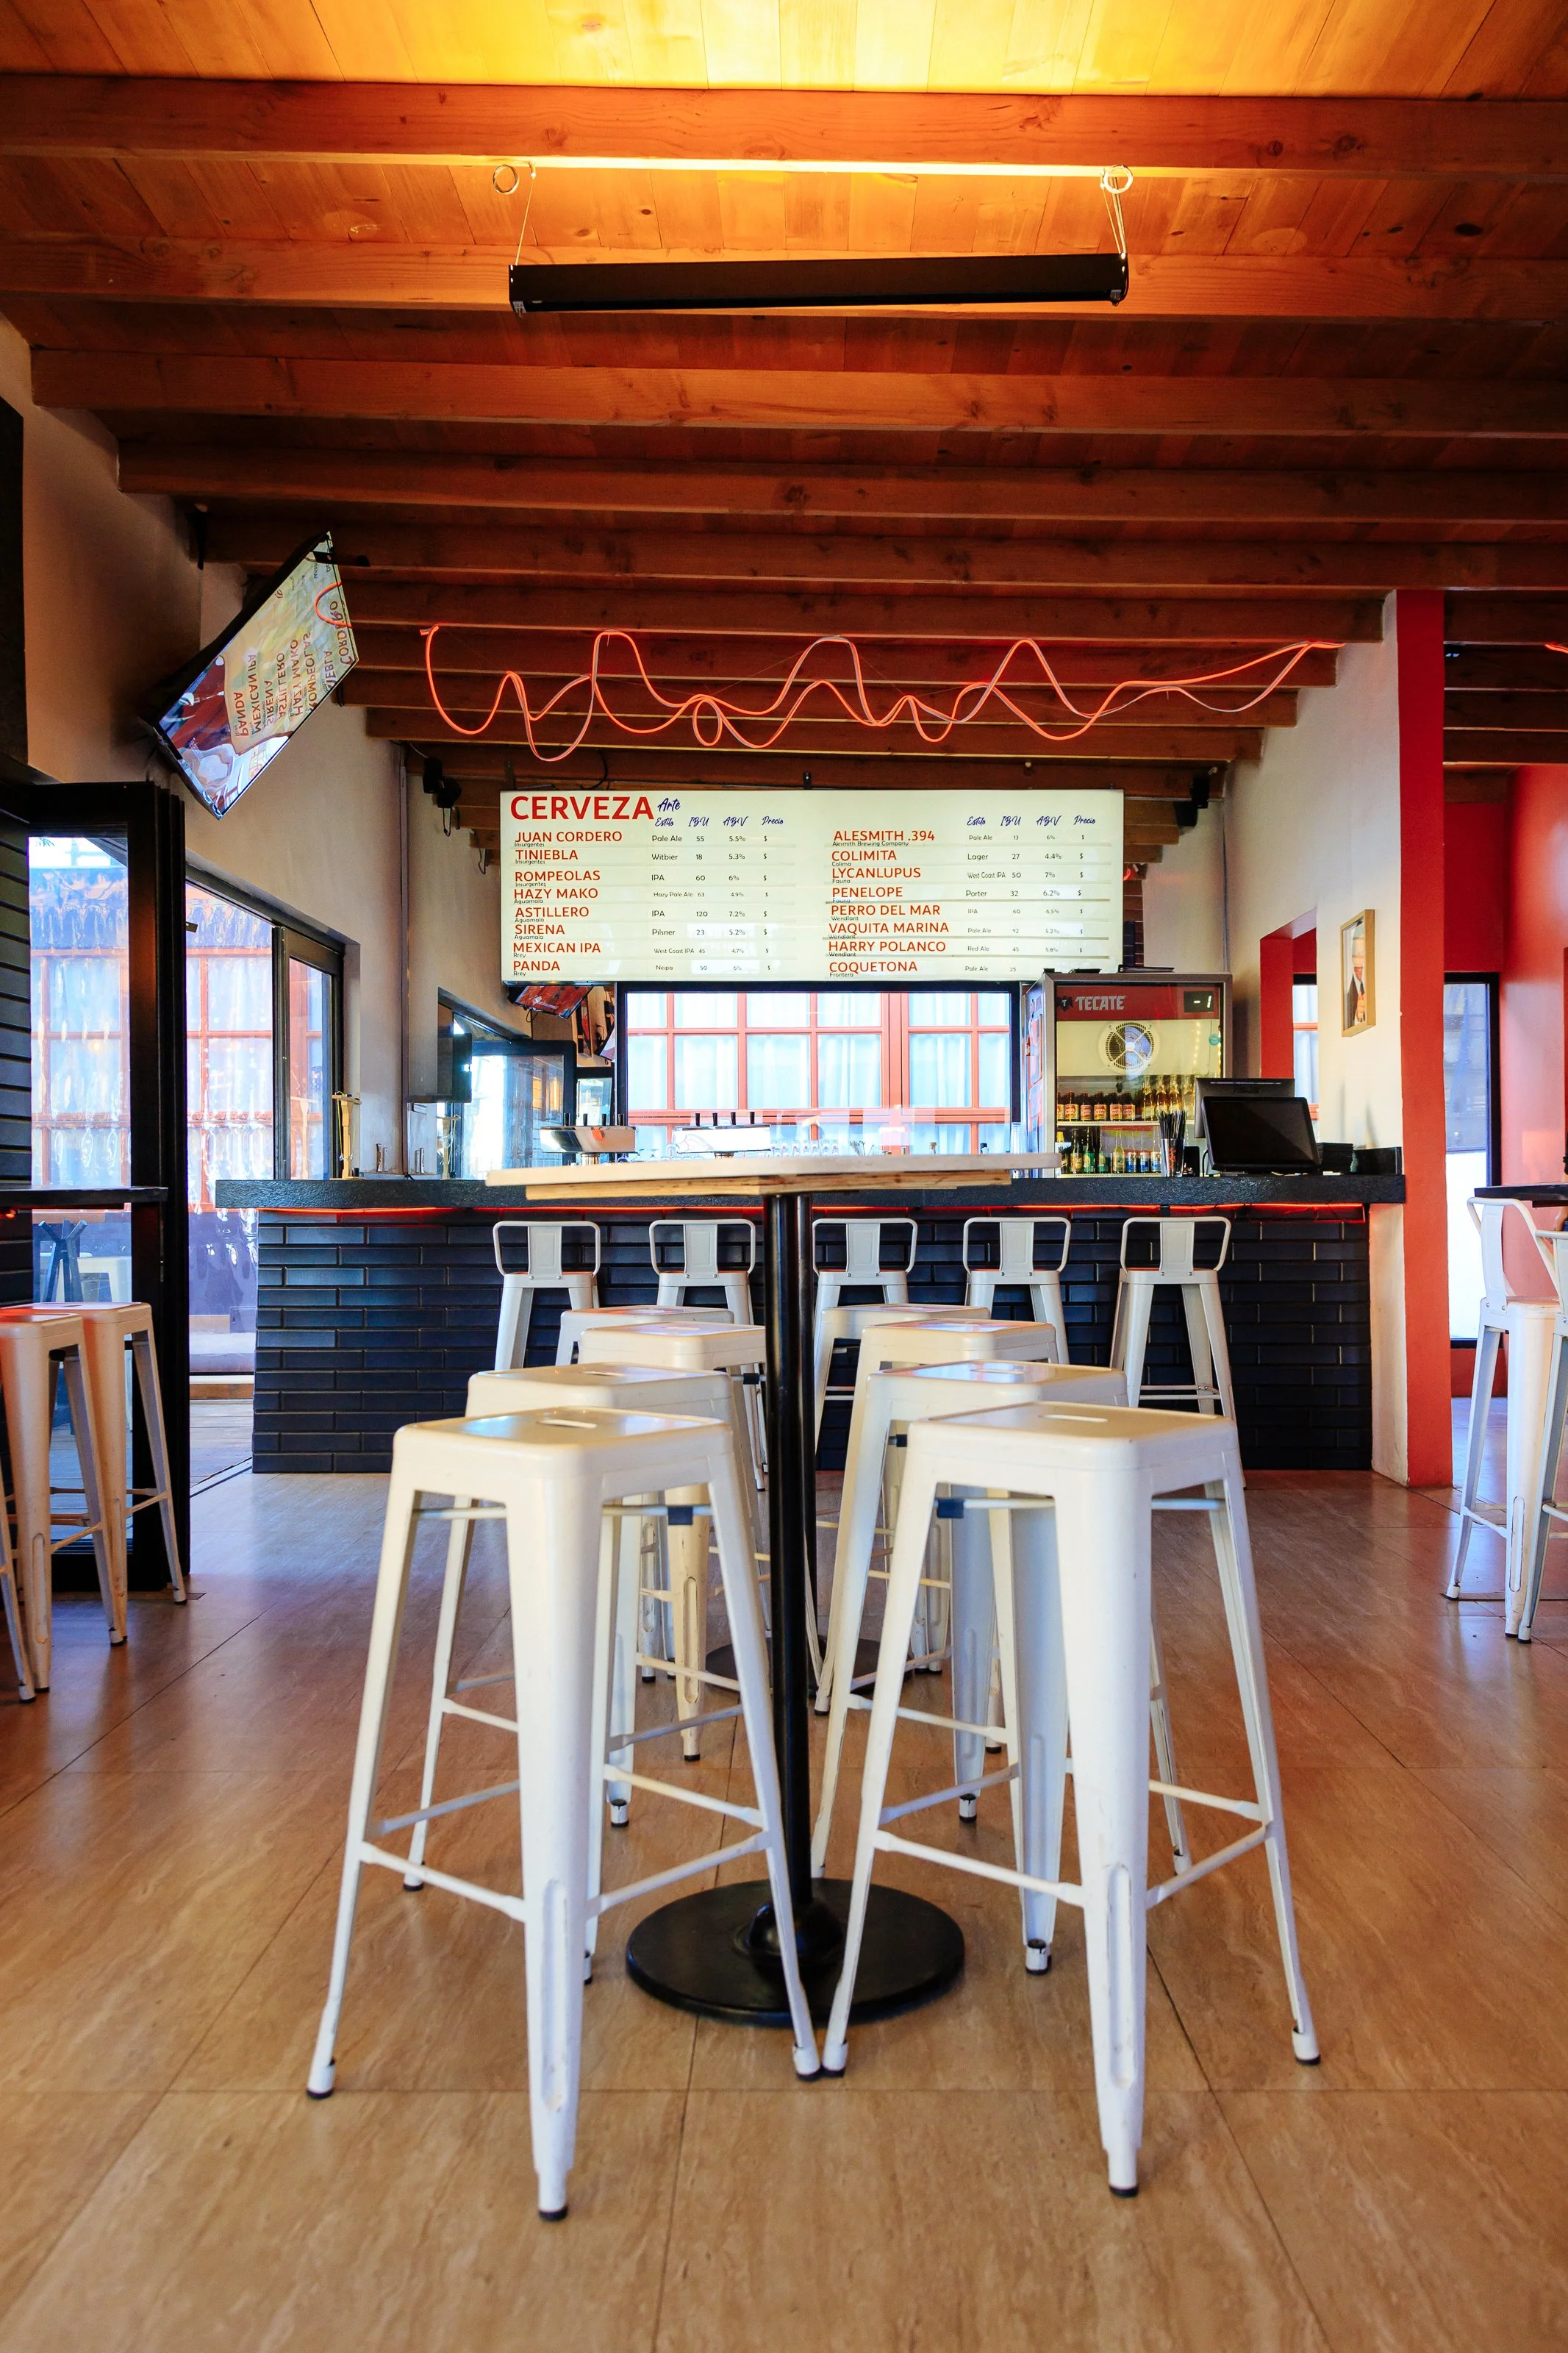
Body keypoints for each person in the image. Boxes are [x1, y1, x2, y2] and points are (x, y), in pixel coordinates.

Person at [1345, 925, 1368, 1030]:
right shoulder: (1350, 994)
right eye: (1355, 955)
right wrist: (1358, 1016)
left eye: (1362, 954)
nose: (1358, 960)